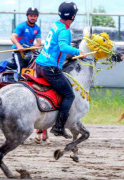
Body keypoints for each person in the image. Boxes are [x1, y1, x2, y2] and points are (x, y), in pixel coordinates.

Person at [35, 1, 86, 138]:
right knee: (69, 94)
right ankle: (58, 127)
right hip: (50, 69)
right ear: (73, 16)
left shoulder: (56, 24)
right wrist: (78, 52)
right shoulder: (65, 30)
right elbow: (63, 47)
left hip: (39, 65)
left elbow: (57, 45)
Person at [8, 7, 41, 80]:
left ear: (37, 17)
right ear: (27, 16)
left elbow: (39, 42)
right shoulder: (22, 26)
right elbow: (12, 37)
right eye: (31, 16)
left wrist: (35, 47)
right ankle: (19, 82)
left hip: (29, 51)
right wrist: (18, 46)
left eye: (35, 16)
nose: (33, 18)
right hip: (18, 51)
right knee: (21, 66)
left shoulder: (37, 28)